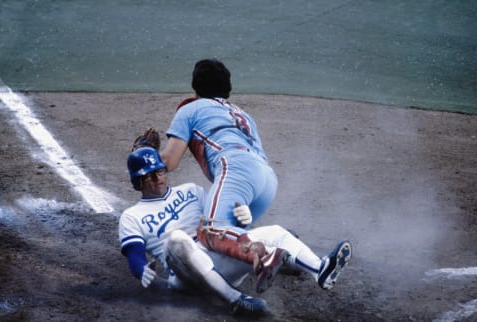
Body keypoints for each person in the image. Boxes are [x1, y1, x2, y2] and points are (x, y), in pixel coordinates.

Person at [119, 147, 352, 315]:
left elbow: (221, 223)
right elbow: (134, 254)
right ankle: (237, 301)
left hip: (220, 261)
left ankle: (319, 269)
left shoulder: (191, 191)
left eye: (159, 172)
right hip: (184, 275)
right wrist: (140, 269)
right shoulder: (132, 216)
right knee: (177, 239)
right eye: (149, 176)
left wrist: (243, 218)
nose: (157, 178)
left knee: (276, 231)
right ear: (138, 182)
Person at [158, 59, 287, 290]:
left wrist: (144, 153)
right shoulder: (243, 115)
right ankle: (289, 254)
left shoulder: (190, 109)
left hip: (236, 171)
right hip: (266, 180)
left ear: (195, 86)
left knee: (209, 236)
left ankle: (269, 251)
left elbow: (168, 162)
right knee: (231, 242)